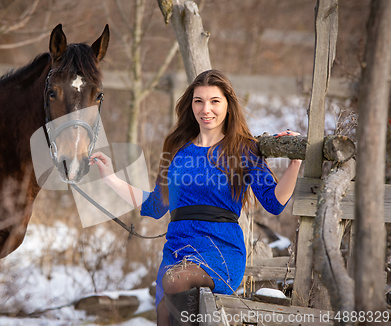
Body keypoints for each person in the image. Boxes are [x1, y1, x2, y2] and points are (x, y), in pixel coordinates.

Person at [89, 69, 301, 326]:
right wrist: (111, 178)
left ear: (228, 105)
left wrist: (295, 163)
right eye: (198, 101)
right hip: (177, 249)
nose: (206, 109)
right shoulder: (176, 148)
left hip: (220, 249)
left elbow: (274, 202)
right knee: (165, 317)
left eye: (215, 101)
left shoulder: (243, 148)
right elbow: (155, 205)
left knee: (176, 280)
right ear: (190, 105)